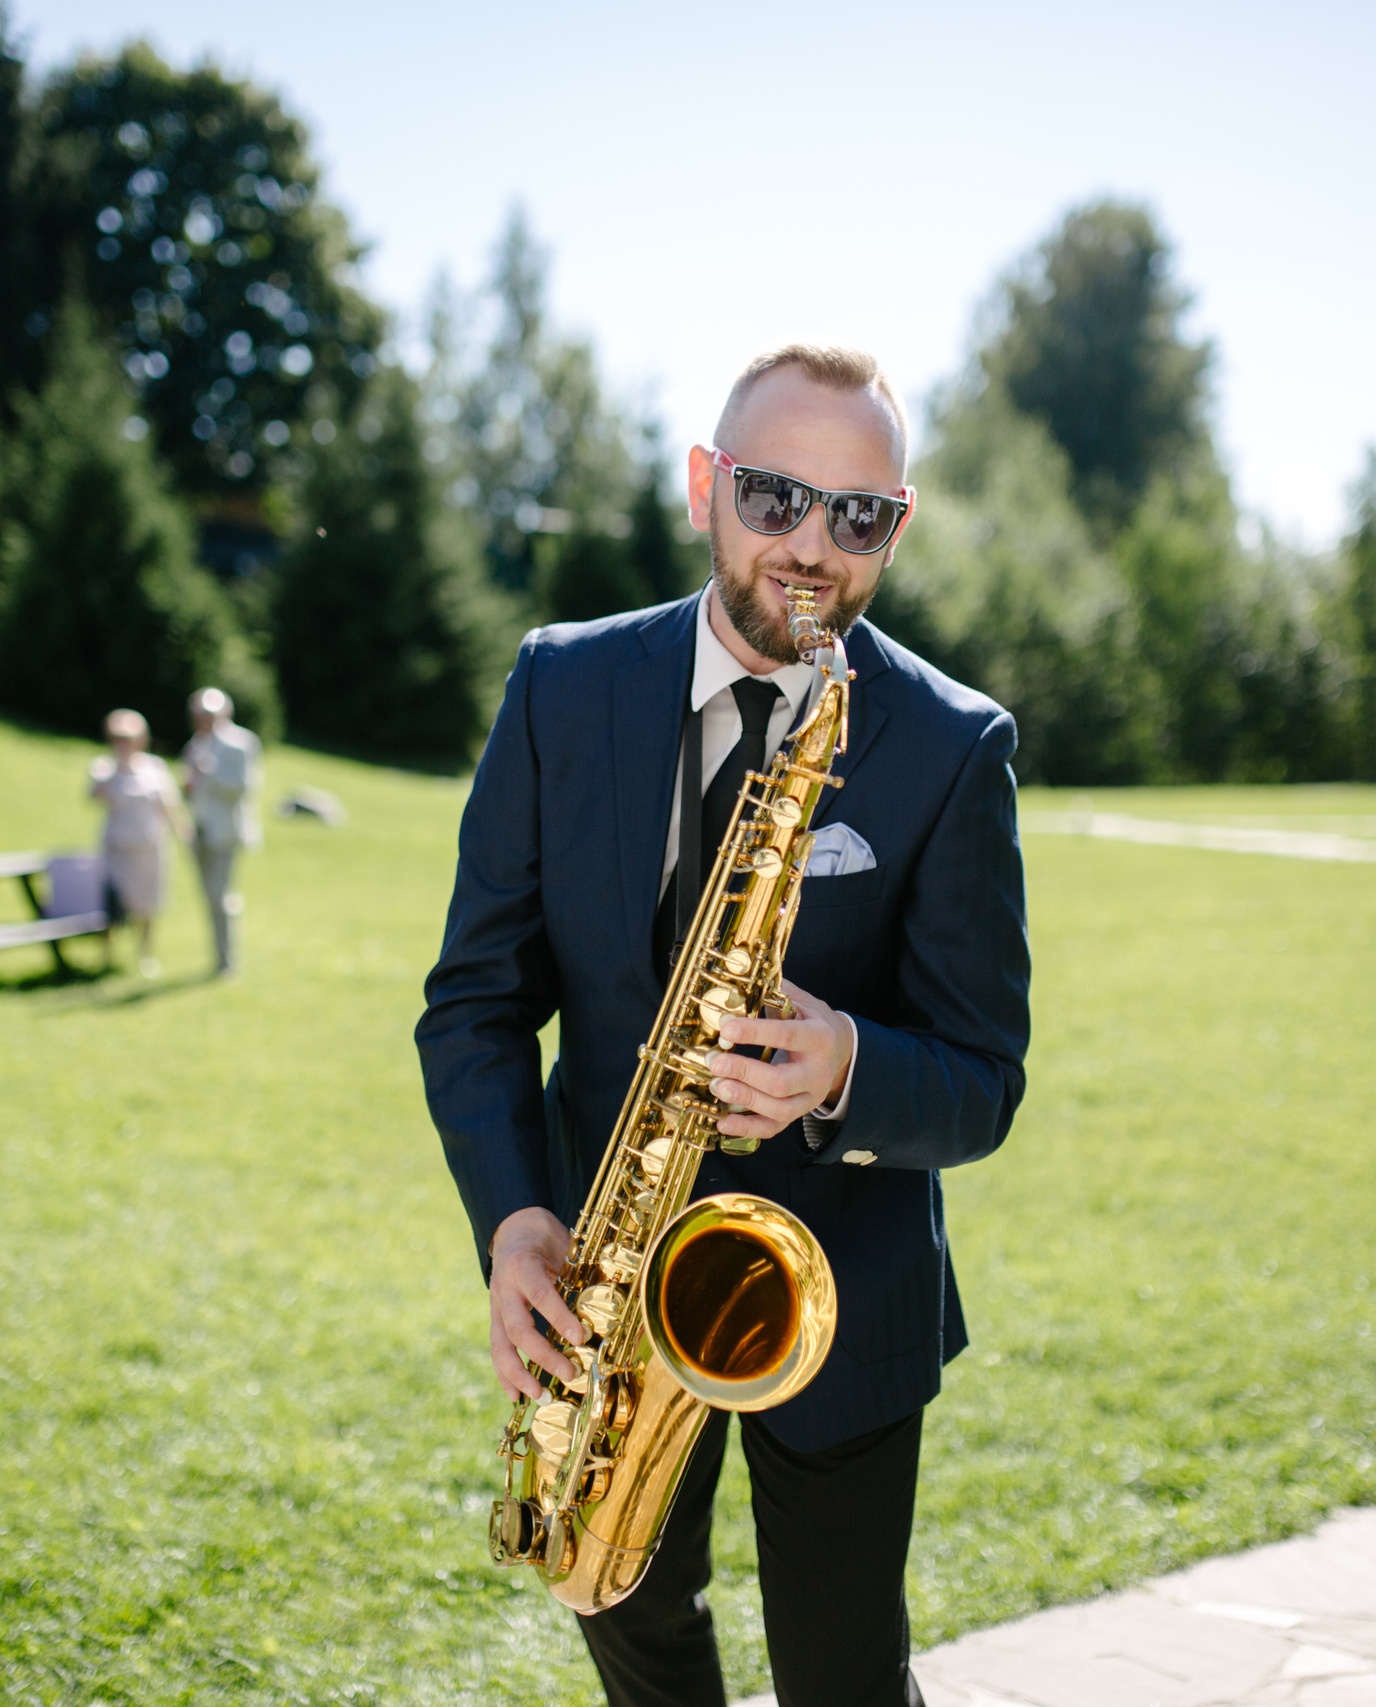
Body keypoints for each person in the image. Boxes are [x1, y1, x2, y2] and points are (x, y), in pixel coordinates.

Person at [417, 345, 1030, 1707]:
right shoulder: (561, 685)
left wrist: (849, 1064)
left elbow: (985, 1077)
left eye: (855, 514)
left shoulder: (952, 743)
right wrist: (512, 1218)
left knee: (844, 1676)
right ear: (706, 485)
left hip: (839, 1299)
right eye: (773, 497)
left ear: (896, 526)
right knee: (629, 1625)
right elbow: (474, 1001)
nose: (809, 547)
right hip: (600, 1284)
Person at [87, 707, 186, 977]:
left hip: (150, 848)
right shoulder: (104, 767)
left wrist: (183, 833)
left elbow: (169, 806)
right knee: (111, 903)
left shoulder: (155, 768)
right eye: (119, 738)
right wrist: (117, 769)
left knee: (147, 905)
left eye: (129, 738)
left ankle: (145, 954)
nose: (124, 743)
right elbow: (93, 797)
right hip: (117, 849)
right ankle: (107, 955)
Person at [180, 686, 264, 976]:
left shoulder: (241, 743)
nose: (203, 719)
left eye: (208, 714)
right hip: (200, 829)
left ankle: (227, 961)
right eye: (198, 714)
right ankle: (218, 956)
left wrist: (209, 774)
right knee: (209, 897)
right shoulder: (195, 744)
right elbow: (192, 787)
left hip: (225, 831)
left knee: (221, 896)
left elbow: (244, 787)